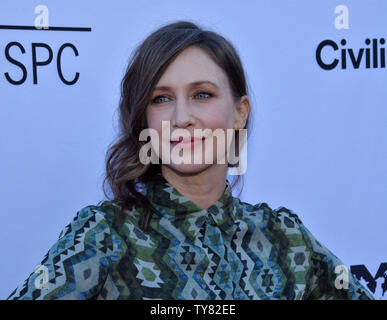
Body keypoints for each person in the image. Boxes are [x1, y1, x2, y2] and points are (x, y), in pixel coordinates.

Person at [7, 20, 374, 300]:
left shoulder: (285, 237)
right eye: (161, 99)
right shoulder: (105, 235)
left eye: (202, 94)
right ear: (143, 119)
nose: (182, 117)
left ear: (239, 112)